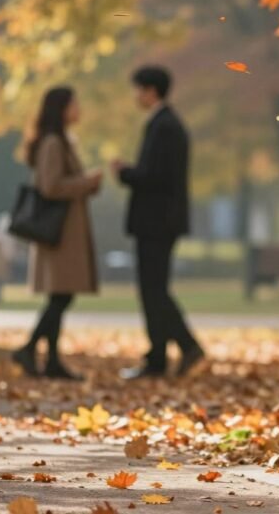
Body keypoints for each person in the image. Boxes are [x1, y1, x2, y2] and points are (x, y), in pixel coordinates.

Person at [112, 66, 204, 380]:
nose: (136, 96)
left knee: (153, 290)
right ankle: (163, 354)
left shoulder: (163, 126)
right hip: (162, 221)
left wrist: (124, 172)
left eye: (139, 89)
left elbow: (154, 176)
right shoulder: (167, 124)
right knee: (155, 289)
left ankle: (174, 351)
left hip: (156, 222)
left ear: (151, 90)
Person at [11, 86, 102, 381]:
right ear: (61, 108)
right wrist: (85, 182)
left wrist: (88, 184)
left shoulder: (62, 141)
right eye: (74, 104)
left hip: (66, 231)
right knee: (60, 297)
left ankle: (50, 359)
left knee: (60, 296)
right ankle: (30, 348)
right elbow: (50, 186)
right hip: (59, 233)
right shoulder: (53, 143)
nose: (79, 110)